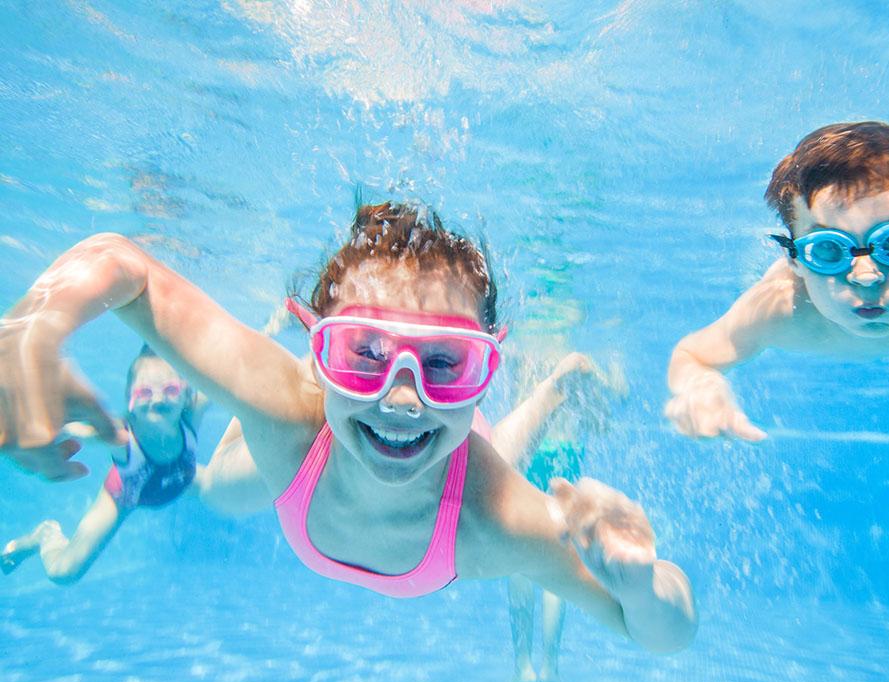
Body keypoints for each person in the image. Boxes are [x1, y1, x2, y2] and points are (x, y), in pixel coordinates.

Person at [0, 202, 697, 653]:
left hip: (456, 480)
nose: (402, 398)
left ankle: (550, 387)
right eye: (363, 352)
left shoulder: (499, 516)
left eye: (446, 361)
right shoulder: (287, 408)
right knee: (212, 487)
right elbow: (123, 266)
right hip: (305, 457)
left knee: (491, 454)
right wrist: (26, 332)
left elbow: (667, 631)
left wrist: (639, 583)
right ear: (318, 351)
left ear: (487, 361)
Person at [665, 121, 889, 440]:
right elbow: (693, 356)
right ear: (794, 260)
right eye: (828, 249)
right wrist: (700, 386)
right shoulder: (781, 306)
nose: (866, 277)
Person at [1, 346, 207, 582]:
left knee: (225, 485)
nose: (158, 399)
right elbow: (73, 429)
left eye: (170, 390)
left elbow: (235, 378)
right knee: (64, 573)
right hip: (126, 493)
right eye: (145, 393)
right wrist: (32, 436)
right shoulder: (120, 436)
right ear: (130, 401)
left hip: (182, 476)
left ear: (187, 395)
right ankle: (45, 534)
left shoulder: (194, 412)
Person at [491, 351, 598, 682]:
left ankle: (525, 666)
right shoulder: (579, 361)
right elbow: (599, 410)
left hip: (531, 453)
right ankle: (547, 667)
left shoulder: (523, 358)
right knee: (556, 562)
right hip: (564, 456)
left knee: (520, 563)